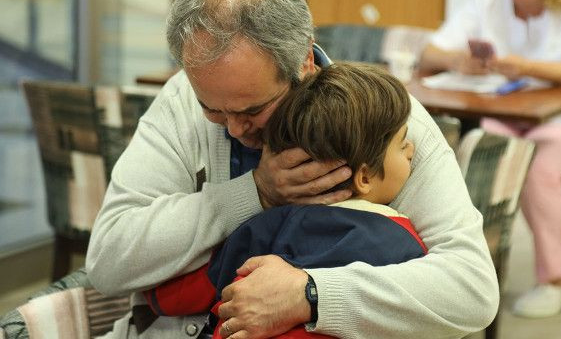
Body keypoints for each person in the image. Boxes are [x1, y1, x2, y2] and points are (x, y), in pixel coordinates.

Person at [86, 0, 499, 338]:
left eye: (252, 111)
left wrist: (310, 295)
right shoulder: (181, 101)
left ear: (304, 61)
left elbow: (471, 289)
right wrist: (255, 193)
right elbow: (108, 261)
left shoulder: (384, 125)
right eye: (213, 109)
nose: (232, 129)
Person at [143, 63, 427, 339]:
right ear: (364, 177)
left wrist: (158, 297)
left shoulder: (272, 220)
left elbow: (194, 286)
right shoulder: (402, 240)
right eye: (403, 145)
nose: (412, 150)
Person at [419, 0, 561, 318]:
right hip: (508, 114)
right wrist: (458, 61)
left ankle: (558, 280)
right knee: (472, 151)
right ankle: (463, 268)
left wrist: (527, 67)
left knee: (537, 168)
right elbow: (429, 52)